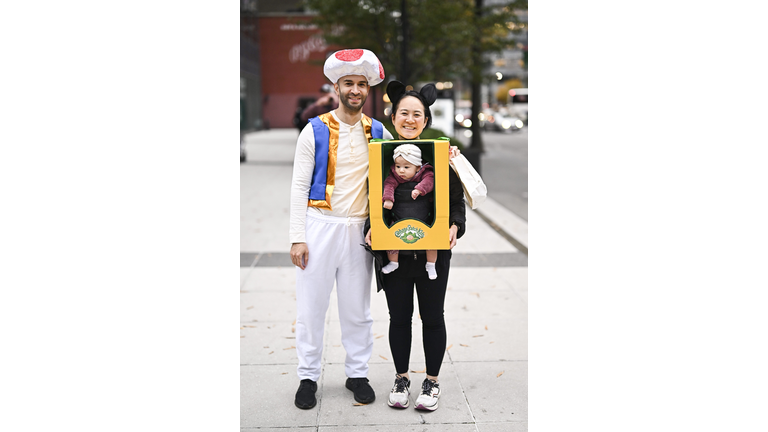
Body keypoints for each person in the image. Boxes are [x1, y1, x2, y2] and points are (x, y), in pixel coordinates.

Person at [288, 48, 394, 410]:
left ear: (368, 90)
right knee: (311, 307)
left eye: (361, 84)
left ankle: (357, 373)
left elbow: (403, 170)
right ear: (336, 87)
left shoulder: (379, 131)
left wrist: (447, 158)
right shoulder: (313, 130)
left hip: (359, 232)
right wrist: (297, 237)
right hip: (320, 227)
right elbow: (299, 187)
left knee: (357, 309)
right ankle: (307, 377)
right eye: (348, 83)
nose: (355, 89)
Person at [365, 80, 467, 412]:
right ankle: (401, 377)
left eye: (417, 114)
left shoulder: (441, 154)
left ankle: (432, 381)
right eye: (403, 113)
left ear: (426, 120)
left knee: (433, 317)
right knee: (399, 317)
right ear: (393, 117)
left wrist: (455, 226)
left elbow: (456, 201)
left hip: (432, 253)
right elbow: (370, 202)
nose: (409, 119)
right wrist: (371, 230)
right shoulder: (380, 156)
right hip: (393, 251)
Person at [380, 144, 438, 280]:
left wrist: (419, 189)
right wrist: (388, 199)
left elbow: (431, 180)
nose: (401, 171)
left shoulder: (425, 172)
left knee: (432, 240)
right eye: (398, 166)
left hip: (423, 216)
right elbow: (388, 184)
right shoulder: (395, 175)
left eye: (406, 167)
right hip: (400, 216)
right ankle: (393, 262)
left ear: (418, 167)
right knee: (392, 239)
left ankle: (431, 264)